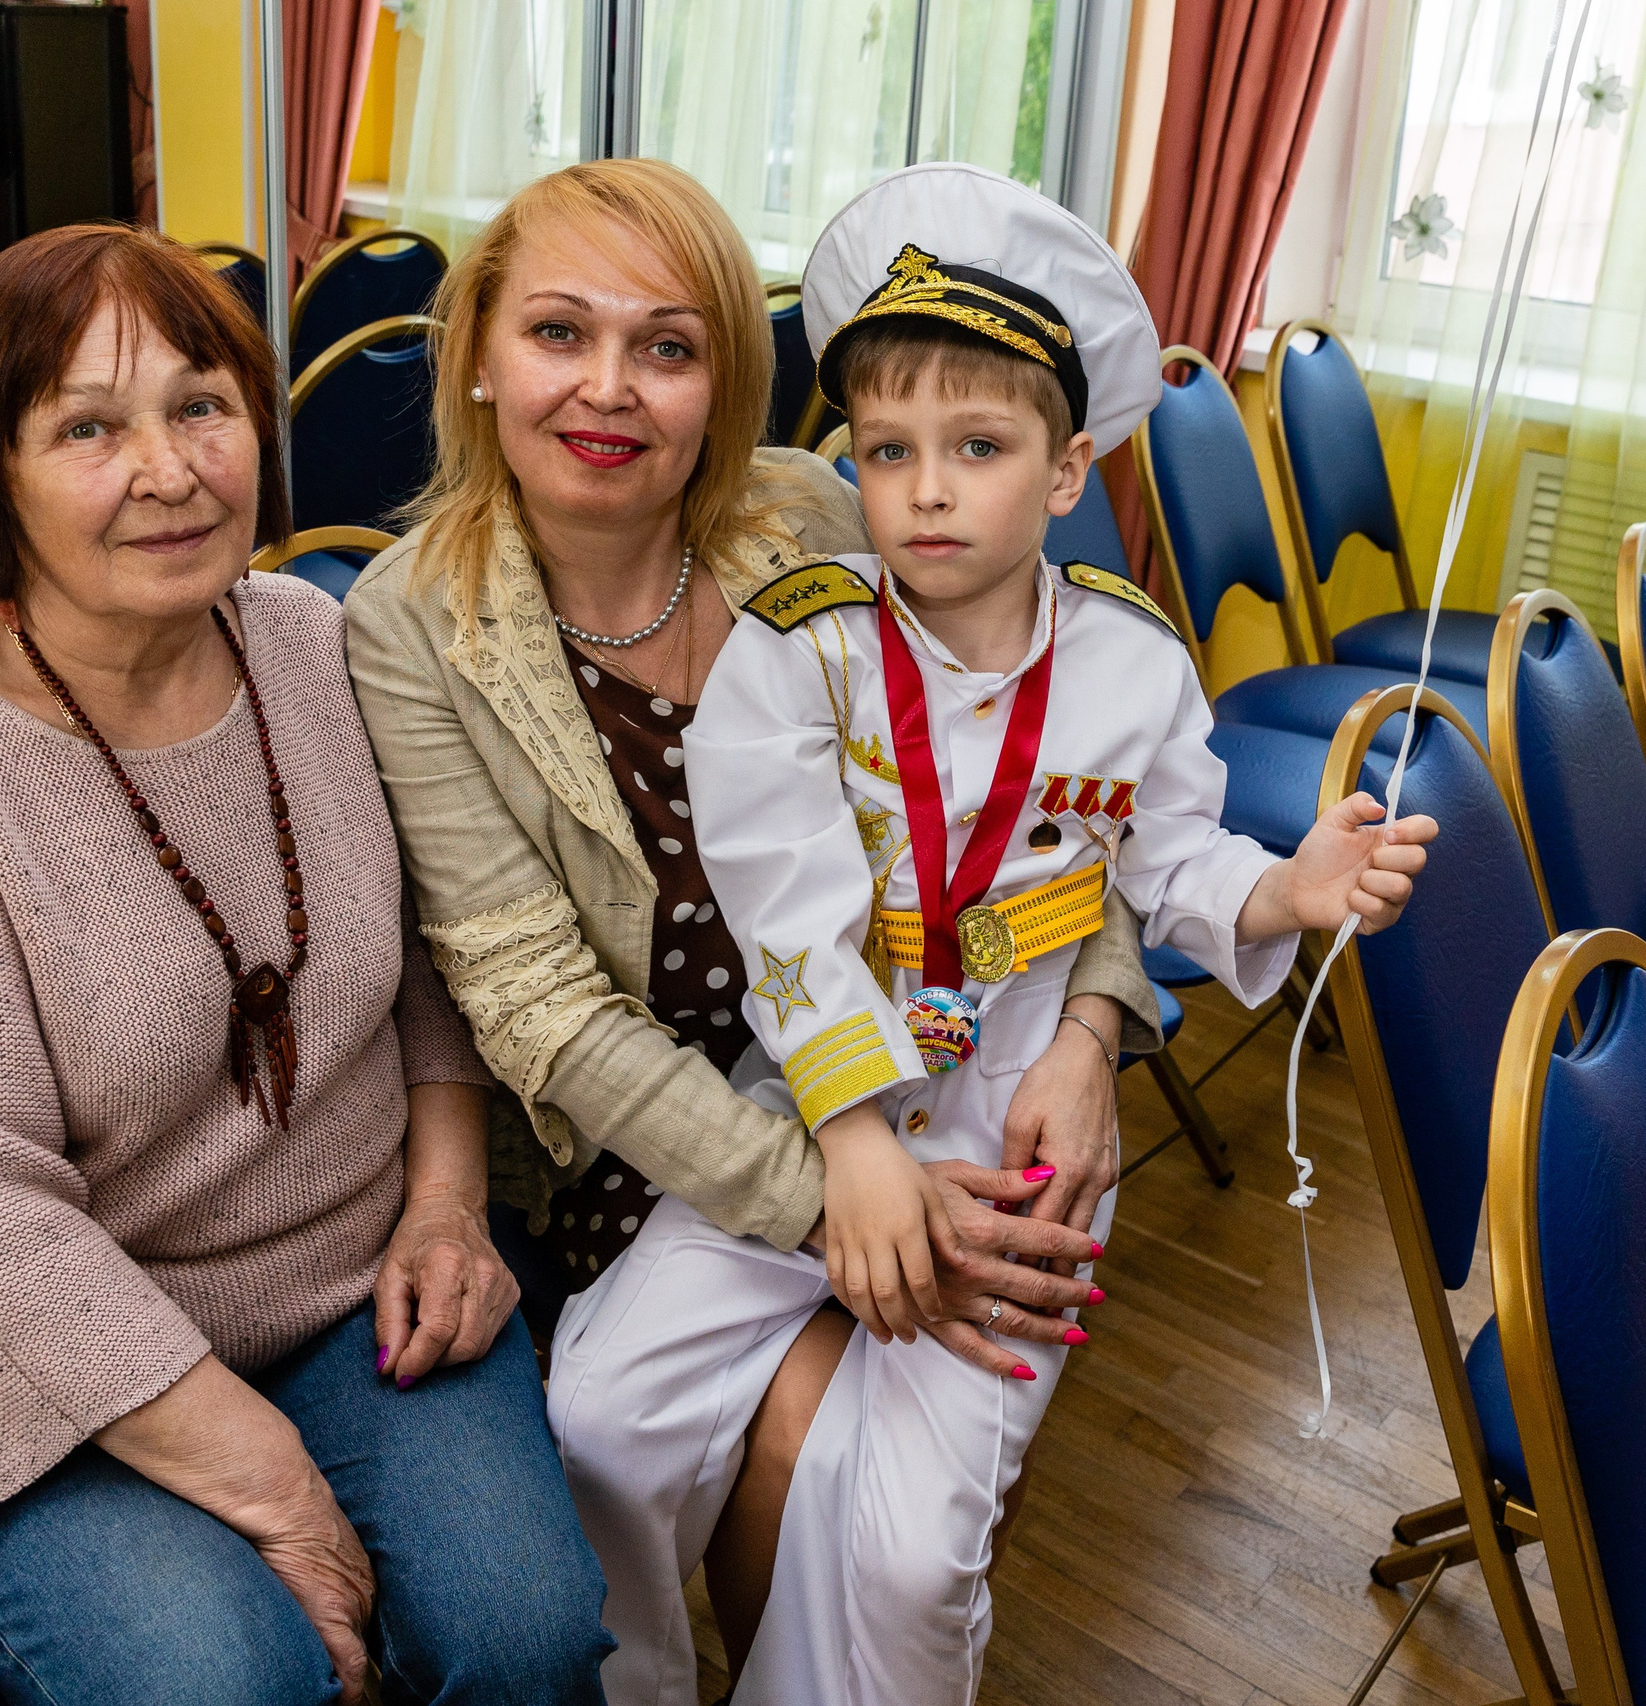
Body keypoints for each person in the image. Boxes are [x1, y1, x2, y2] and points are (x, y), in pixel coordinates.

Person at [549, 163, 1441, 1704]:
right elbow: (788, 922)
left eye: (979, 446)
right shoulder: (798, 648)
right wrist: (858, 1138)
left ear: (1068, 466)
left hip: (1022, 1137)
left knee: (907, 1554)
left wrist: (1292, 888)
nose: (928, 490)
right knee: (603, 1414)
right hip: (819, 1106)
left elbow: (1170, 857)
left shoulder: (1135, 661)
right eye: (887, 451)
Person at [343, 157, 1166, 1683]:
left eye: (668, 345)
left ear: (728, 381)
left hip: (923, 1087)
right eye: (558, 333)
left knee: (884, 1502)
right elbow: (542, 1010)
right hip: (639, 1163)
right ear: (475, 354)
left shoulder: (813, 519)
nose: (610, 388)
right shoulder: (410, 624)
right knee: (751, 1443)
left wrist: (1098, 1027)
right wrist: (828, 1190)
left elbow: (1057, 771)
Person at [0, 223, 610, 1706]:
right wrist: (278, 1486)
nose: (167, 469)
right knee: (235, 1679)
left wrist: (446, 1204)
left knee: (525, 1637)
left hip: (357, 1290)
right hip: (20, 1363)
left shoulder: (311, 639)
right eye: (89, 427)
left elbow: (433, 968)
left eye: (200, 405)